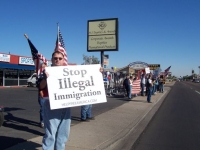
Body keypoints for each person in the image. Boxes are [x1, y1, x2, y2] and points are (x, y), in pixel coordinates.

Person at [39, 51, 71, 150]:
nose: (57, 60)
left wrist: (97, 71)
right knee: (50, 133)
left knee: (63, 134)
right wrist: (45, 78)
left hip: (66, 104)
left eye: (60, 58)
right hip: (51, 105)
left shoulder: (69, 71)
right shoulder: (46, 71)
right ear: (52, 60)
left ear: (63, 60)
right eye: (55, 58)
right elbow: (40, 86)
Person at [37, 62, 47, 128]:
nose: (43, 68)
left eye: (44, 66)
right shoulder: (40, 75)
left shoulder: (50, 73)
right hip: (42, 95)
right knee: (43, 109)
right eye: (42, 67)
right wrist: (40, 91)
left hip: (50, 95)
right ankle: (42, 122)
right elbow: (38, 85)